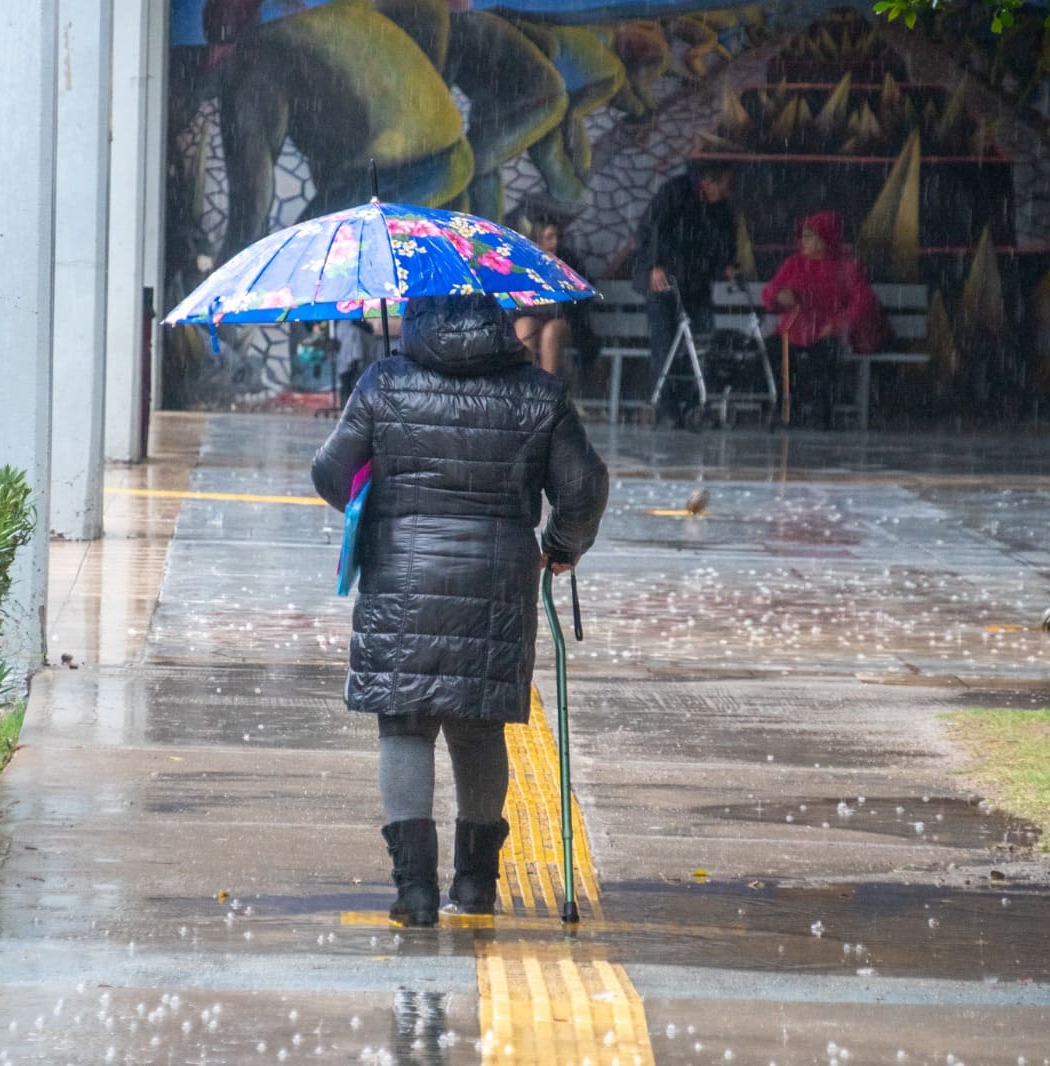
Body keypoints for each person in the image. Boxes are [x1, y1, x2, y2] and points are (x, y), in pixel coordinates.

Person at [311, 293, 609, 927]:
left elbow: (331, 473)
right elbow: (583, 488)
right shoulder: (538, 392)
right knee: (477, 727)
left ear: (417, 312)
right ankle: (474, 883)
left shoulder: (385, 380)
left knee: (405, 722)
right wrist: (559, 547)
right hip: (498, 585)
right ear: (500, 318)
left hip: (402, 579)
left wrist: (381, 502)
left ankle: (414, 889)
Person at [761, 210, 889, 430]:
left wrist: (838, 324)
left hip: (827, 333)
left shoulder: (846, 268)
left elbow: (864, 302)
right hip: (794, 332)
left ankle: (822, 411)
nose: (804, 241)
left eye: (811, 236)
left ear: (826, 238)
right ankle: (787, 408)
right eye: (804, 236)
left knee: (825, 357)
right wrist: (778, 295)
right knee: (774, 351)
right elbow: (771, 290)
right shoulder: (794, 264)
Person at [632, 161, 739, 421]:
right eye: (723, 185)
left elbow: (724, 239)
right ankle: (667, 407)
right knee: (665, 342)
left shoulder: (719, 206)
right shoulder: (676, 192)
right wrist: (656, 264)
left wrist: (727, 265)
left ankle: (695, 402)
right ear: (707, 182)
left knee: (701, 341)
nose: (726, 192)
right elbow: (654, 229)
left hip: (695, 280)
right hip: (664, 279)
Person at [514, 219, 598, 378]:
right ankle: (525, 389)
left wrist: (561, 277)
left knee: (551, 332)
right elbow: (515, 303)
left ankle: (547, 392)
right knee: (524, 326)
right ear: (538, 239)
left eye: (558, 237)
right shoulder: (524, 264)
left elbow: (581, 301)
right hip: (531, 317)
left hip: (563, 322)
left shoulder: (570, 262)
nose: (555, 242)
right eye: (549, 237)